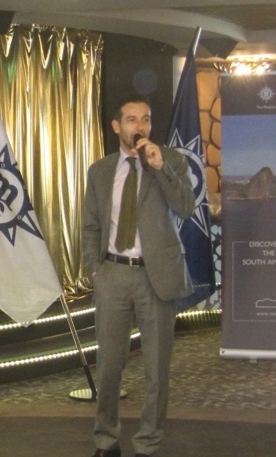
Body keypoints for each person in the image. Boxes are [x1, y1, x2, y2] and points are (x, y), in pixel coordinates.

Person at [82, 92, 194, 457]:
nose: (140, 126)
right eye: (132, 120)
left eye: (145, 119)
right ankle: (106, 440)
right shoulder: (99, 171)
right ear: (117, 126)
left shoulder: (169, 159)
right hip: (113, 274)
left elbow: (187, 208)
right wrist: (94, 270)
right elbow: (91, 225)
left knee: (156, 371)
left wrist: (160, 167)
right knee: (109, 366)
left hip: (156, 277)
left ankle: (148, 444)